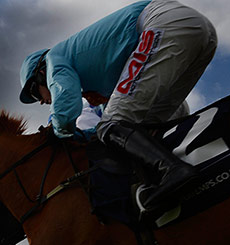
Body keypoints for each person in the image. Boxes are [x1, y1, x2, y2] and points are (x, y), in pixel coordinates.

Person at [19, 0, 217, 213]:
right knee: (144, 125)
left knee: (112, 123)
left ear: (41, 72)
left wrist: (57, 132)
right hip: (202, 33)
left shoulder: (54, 59)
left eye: (34, 92)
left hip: (162, 22)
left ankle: (175, 171)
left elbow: (66, 107)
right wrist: (83, 136)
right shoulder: (94, 71)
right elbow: (115, 124)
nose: (39, 101)